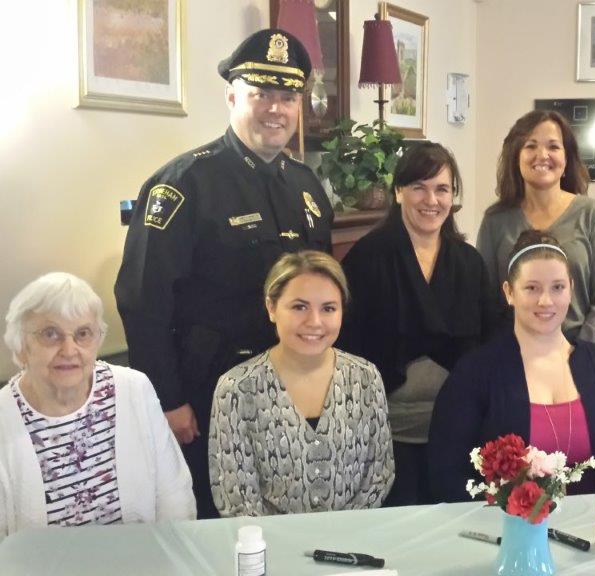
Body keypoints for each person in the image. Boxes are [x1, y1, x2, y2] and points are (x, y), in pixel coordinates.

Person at [114, 29, 334, 518]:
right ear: (233, 96)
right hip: (208, 389)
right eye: (261, 94)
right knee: (220, 522)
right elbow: (142, 300)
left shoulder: (307, 186)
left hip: (291, 382)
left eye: (287, 97)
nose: (275, 109)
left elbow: (320, 293)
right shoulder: (185, 183)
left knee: (289, 509)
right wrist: (168, 401)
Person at [429, 231, 595, 502]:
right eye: (532, 288)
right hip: (512, 535)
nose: (546, 301)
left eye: (557, 287)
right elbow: (446, 473)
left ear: (571, 288)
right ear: (509, 292)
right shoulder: (474, 374)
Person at [338, 142, 499, 506]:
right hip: (385, 435)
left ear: (452, 196)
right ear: (398, 192)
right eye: (419, 187)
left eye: (442, 188)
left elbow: (491, 341)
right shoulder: (367, 258)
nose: (431, 200)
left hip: (458, 431)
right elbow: (347, 349)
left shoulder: (468, 262)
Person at [1, 273, 195, 538]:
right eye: (50, 334)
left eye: (83, 333)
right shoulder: (4, 417)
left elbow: (175, 496)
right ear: (21, 345)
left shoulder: (133, 389)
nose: (69, 350)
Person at [208, 251, 394, 516]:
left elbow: (379, 473)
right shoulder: (236, 388)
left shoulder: (366, 377)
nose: (314, 322)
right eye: (299, 307)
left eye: (328, 308)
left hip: (353, 540)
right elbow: (235, 495)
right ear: (271, 308)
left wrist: (341, 535)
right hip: (271, 548)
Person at [476, 110, 595, 346]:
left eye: (553, 147)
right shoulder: (495, 220)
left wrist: (576, 355)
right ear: (516, 156)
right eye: (530, 146)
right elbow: (487, 301)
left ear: (566, 159)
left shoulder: (592, 214)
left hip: (581, 354)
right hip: (514, 356)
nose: (542, 155)